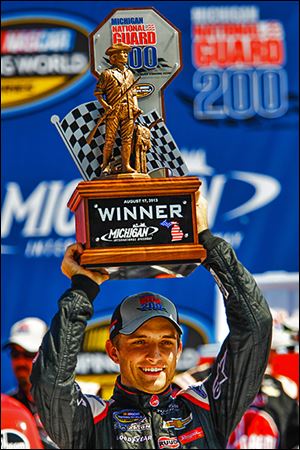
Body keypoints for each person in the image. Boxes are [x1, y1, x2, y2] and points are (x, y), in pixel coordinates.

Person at [30, 195, 273, 449]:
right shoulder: (92, 421)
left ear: (179, 350)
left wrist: (206, 242)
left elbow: (255, 329)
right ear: (114, 351)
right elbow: (49, 382)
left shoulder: (206, 408)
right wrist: (83, 288)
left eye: (166, 342)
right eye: (139, 341)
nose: (154, 355)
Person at [3, 317, 58, 449]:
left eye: (29, 354)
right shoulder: (7, 407)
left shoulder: (79, 400)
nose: (21, 362)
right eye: (15, 354)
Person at [94, 42, 143, 174]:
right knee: (109, 139)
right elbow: (98, 93)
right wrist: (106, 106)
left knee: (127, 139)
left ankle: (126, 165)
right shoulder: (107, 74)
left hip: (129, 111)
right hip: (113, 111)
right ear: (113, 58)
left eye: (126, 53)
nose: (125, 55)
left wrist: (136, 108)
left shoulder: (130, 74)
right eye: (122, 53)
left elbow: (133, 93)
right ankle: (105, 165)